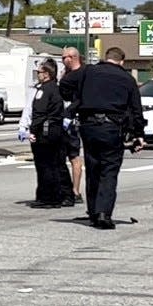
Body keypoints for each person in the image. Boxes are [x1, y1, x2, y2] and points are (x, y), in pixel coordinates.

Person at [59, 47, 146, 230]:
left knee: (93, 168)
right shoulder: (128, 79)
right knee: (109, 170)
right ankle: (103, 213)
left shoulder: (88, 71)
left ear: (105, 58)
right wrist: (138, 135)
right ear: (121, 61)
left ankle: (92, 212)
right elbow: (136, 110)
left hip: (88, 126)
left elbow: (65, 84)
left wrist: (78, 97)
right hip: (112, 127)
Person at [24, 59, 73, 208]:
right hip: (52, 131)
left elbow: (40, 113)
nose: (37, 75)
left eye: (39, 72)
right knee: (53, 165)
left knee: (47, 165)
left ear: (47, 74)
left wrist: (32, 130)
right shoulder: (48, 89)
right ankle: (52, 195)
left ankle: (51, 197)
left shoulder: (47, 90)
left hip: (46, 133)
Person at [59, 47, 85, 204]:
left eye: (64, 58)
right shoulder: (65, 74)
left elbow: (80, 98)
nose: (63, 61)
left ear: (72, 57)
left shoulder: (82, 74)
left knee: (74, 156)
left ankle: (75, 190)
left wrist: (69, 114)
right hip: (61, 118)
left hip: (73, 120)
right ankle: (64, 189)